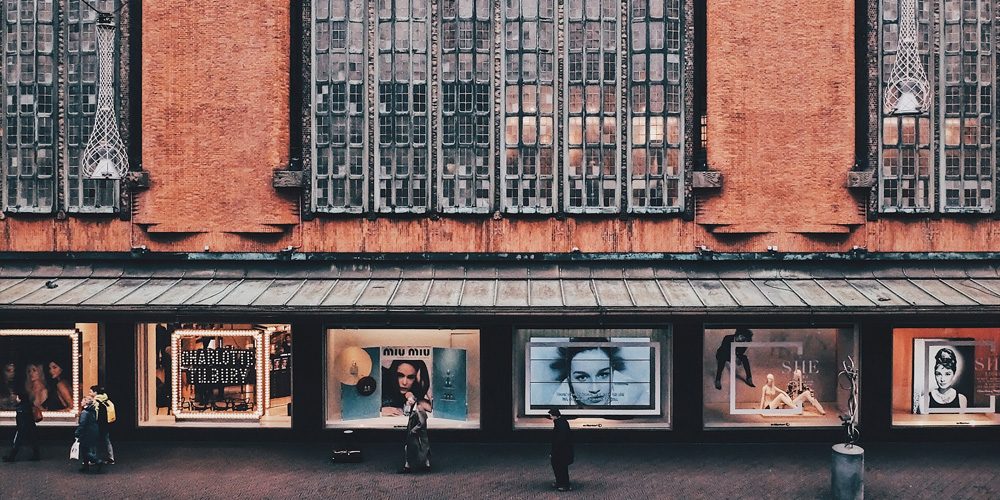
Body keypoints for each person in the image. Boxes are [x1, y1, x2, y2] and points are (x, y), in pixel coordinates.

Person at [547, 341, 646, 407]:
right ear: (569, 380)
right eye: (582, 377)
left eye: (603, 375)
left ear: (613, 373)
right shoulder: (558, 405)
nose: (594, 389)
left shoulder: (635, 394)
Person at [921, 347, 968, 413]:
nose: (942, 379)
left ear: (954, 374)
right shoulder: (924, 399)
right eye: (938, 374)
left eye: (947, 374)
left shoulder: (961, 399)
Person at [2, 391, 40, 462]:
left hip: (22, 428)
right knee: (33, 441)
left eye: (17, 397)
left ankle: (11, 457)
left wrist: (19, 429)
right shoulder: (28, 405)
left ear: (20, 398)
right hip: (31, 427)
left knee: (17, 442)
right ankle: (36, 455)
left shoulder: (21, 408)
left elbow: (21, 420)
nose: (16, 398)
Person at [398, 392, 431, 473]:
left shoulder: (419, 409)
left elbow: (421, 423)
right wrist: (407, 405)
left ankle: (410, 466)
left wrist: (413, 430)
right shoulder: (412, 407)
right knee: (413, 448)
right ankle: (420, 465)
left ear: (414, 400)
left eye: (410, 400)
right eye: (408, 400)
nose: (409, 401)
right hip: (414, 433)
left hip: (418, 434)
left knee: (417, 449)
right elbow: (406, 413)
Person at [548, 408, 574, 492]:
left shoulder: (560, 424)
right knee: (559, 467)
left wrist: (554, 452)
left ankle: (564, 485)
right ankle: (560, 482)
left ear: (555, 415)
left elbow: (560, 440)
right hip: (562, 450)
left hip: (561, 451)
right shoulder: (562, 421)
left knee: (561, 468)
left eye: (551, 415)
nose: (550, 417)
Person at [74, 397, 101, 473]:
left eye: (82, 401)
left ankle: (97, 461)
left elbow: (82, 424)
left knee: (84, 450)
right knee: (86, 449)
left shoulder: (84, 413)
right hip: (93, 431)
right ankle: (85, 466)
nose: (81, 402)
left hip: (86, 433)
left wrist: (77, 432)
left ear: (86, 403)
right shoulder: (93, 411)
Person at [90, 386, 116, 464]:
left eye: (91, 391)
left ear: (95, 393)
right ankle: (111, 458)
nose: (90, 393)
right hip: (106, 424)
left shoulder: (96, 402)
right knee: (107, 441)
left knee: (93, 441)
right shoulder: (106, 399)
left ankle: (93, 459)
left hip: (97, 424)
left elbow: (95, 415)